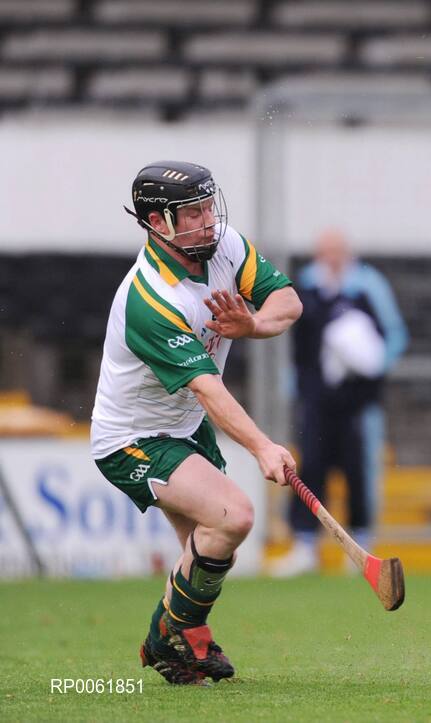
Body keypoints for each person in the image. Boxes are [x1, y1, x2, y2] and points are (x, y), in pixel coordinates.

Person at [90, 161, 302, 685]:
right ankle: (168, 637)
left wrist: (251, 324)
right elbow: (208, 388)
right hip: (132, 438)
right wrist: (263, 447)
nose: (209, 220)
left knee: (207, 545)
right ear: (158, 223)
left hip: (185, 428)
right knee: (234, 516)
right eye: (193, 213)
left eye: (210, 206)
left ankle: (183, 644)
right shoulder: (149, 299)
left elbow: (289, 302)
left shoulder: (225, 243)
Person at [271, 228, 407, 576]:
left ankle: (361, 547)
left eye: (336, 251)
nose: (330, 258)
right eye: (324, 251)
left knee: (358, 470)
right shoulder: (306, 286)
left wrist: (373, 368)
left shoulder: (368, 286)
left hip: (356, 404)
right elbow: (297, 344)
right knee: (311, 466)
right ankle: (304, 544)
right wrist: (298, 385)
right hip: (316, 402)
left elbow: (393, 335)